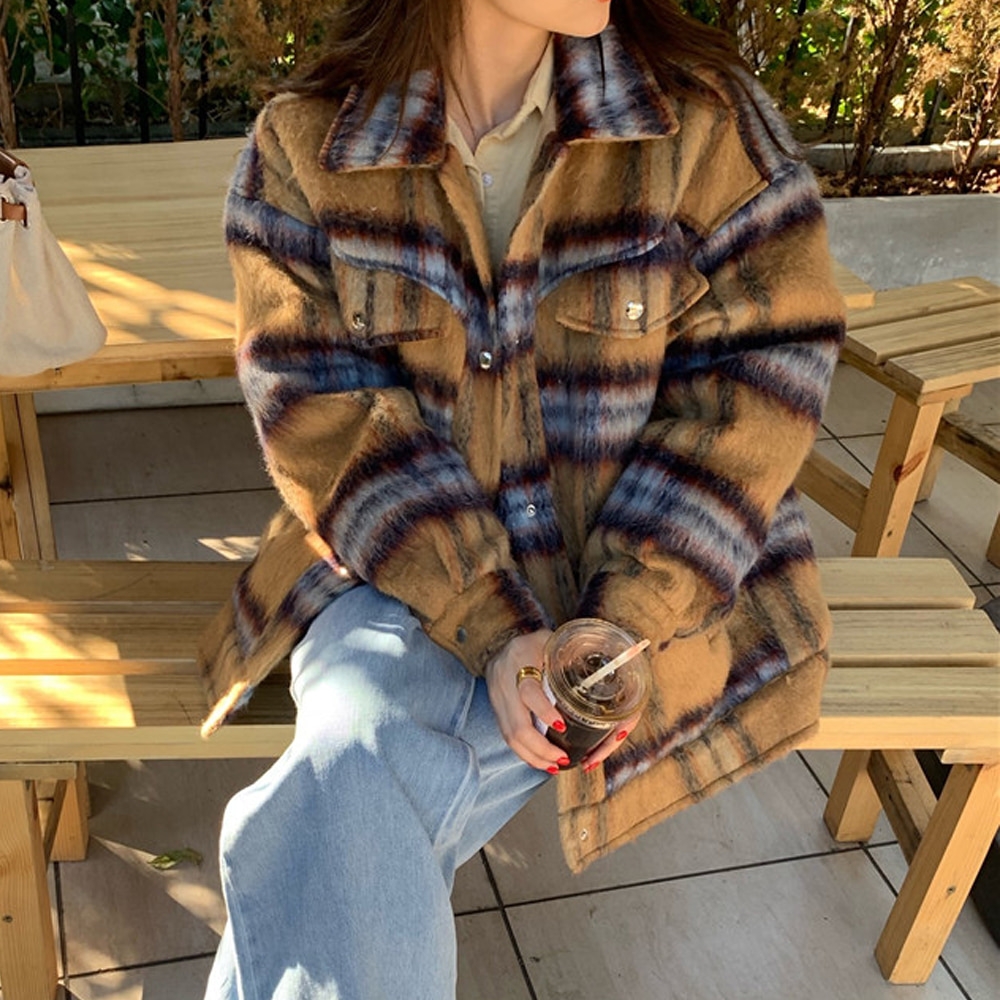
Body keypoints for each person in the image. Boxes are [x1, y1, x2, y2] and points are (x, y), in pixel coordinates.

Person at [199, 0, 846, 996]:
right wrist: (490, 622)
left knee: (348, 782)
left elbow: (758, 388)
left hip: (645, 581)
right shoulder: (307, 146)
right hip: (409, 569)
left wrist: (616, 623)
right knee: (357, 755)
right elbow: (319, 418)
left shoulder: (706, 130)